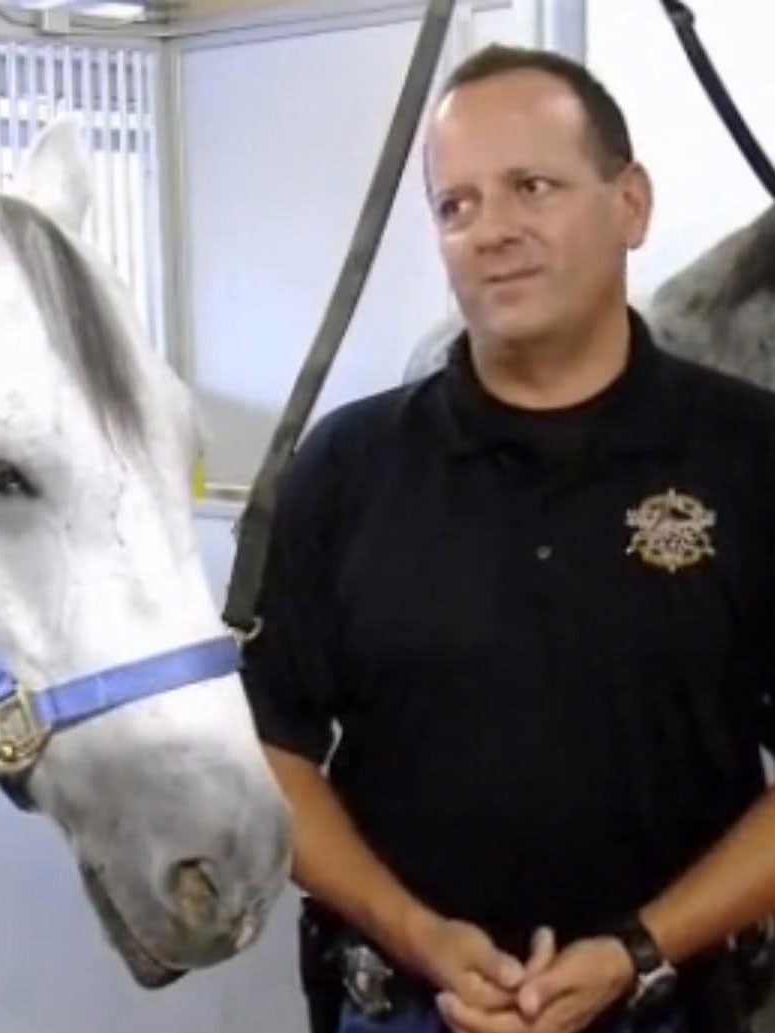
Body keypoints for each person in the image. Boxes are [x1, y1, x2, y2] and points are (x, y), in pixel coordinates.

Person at [240, 43, 775, 1033]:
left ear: (631, 205)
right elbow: (273, 748)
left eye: (532, 186)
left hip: (676, 1003)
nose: (492, 231)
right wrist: (408, 929)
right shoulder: (344, 468)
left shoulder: (751, 457)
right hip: (407, 1001)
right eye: (457, 205)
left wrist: (639, 947)